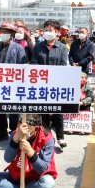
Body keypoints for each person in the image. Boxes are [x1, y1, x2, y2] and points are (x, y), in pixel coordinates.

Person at [0, 114, 57, 188]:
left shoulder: (47, 139)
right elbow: (8, 158)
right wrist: (15, 140)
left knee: (48, 184)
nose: (22, 130)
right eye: (20, 125)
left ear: (36, 128)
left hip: (36, 178)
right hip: (17, 175)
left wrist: (31, 152)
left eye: (26, 127)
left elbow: (42, 169)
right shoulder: (16, 133)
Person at [31, 19, 69, 148]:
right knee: (44, 111)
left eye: (50, 30)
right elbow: (34, 62)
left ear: (57, 32)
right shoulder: (38, 46)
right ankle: (47, 137)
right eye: (45, 30)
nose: (47, 32)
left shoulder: (62, 47)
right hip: (42, 83)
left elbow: (64, 64)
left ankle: (60, 137)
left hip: (56, 84)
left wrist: (54, 74)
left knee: (58, 111)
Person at [0, 22, 27, 142]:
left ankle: (13, 132)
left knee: (14, 109)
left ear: (12, 34)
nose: (3, 34)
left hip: (13, 83)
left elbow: (22, 66)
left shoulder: (19, 48)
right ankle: (1, 131)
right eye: (2, 32)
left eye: (6, 32)